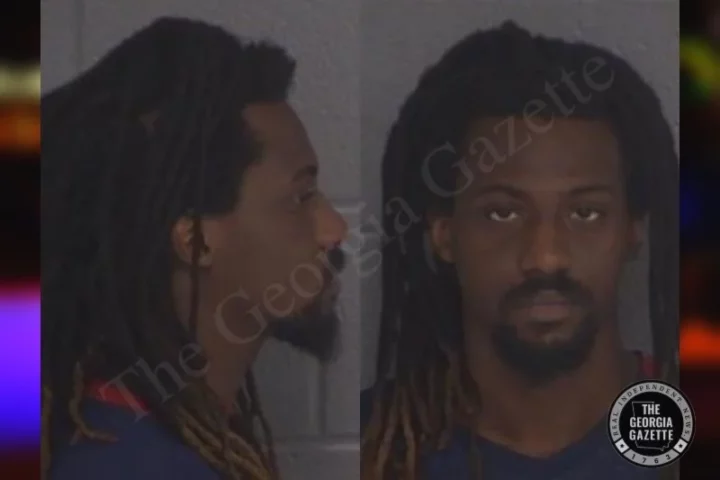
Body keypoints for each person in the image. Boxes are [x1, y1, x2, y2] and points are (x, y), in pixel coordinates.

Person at [361, 21, 678, 479]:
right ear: (444, 234)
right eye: (502, 213)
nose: (546, 258)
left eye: (586, 213)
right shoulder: (376, 449)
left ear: (633, 230)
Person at [42, 17, 348, 480]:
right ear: (196, 240)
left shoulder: (165, 435)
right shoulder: (128, 463)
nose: (334, 229)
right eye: (301, 197)